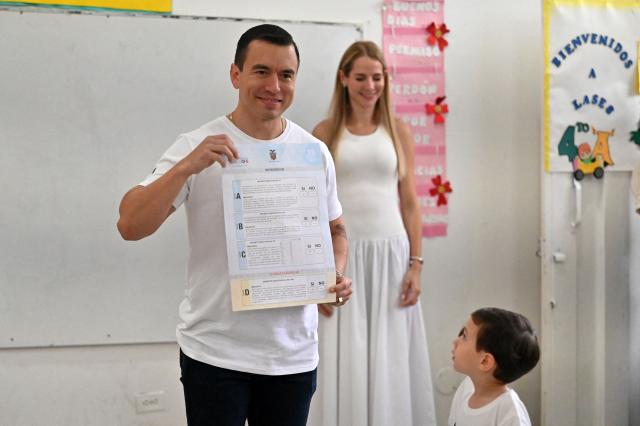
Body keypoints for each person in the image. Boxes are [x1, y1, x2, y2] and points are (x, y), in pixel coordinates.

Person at [117, 24, 352, 426]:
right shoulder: (199, 144)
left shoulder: (314, 153)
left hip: (291, 357)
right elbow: (130, 224)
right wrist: (189, 165)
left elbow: (336, 231)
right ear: (235, 75)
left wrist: (336, 274)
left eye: (287, 74)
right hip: (215, 353)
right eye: (261, 71)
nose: (274, 85)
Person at [308, 41, 436, 426]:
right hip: (341, 258)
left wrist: (416, 264)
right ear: (344, 78)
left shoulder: (398, 131)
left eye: (377, 77)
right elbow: (311, 210)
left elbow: (410, 201)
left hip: (391, 255)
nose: (370, 85)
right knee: (340, 352)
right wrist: (317, 273)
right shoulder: (324, 132)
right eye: (361, 76)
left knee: (389, 351)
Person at [449, 307, 540, 426]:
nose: (455, 341)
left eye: (464, 336)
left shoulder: (510, 413)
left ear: (485, 361)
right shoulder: (466, 389)